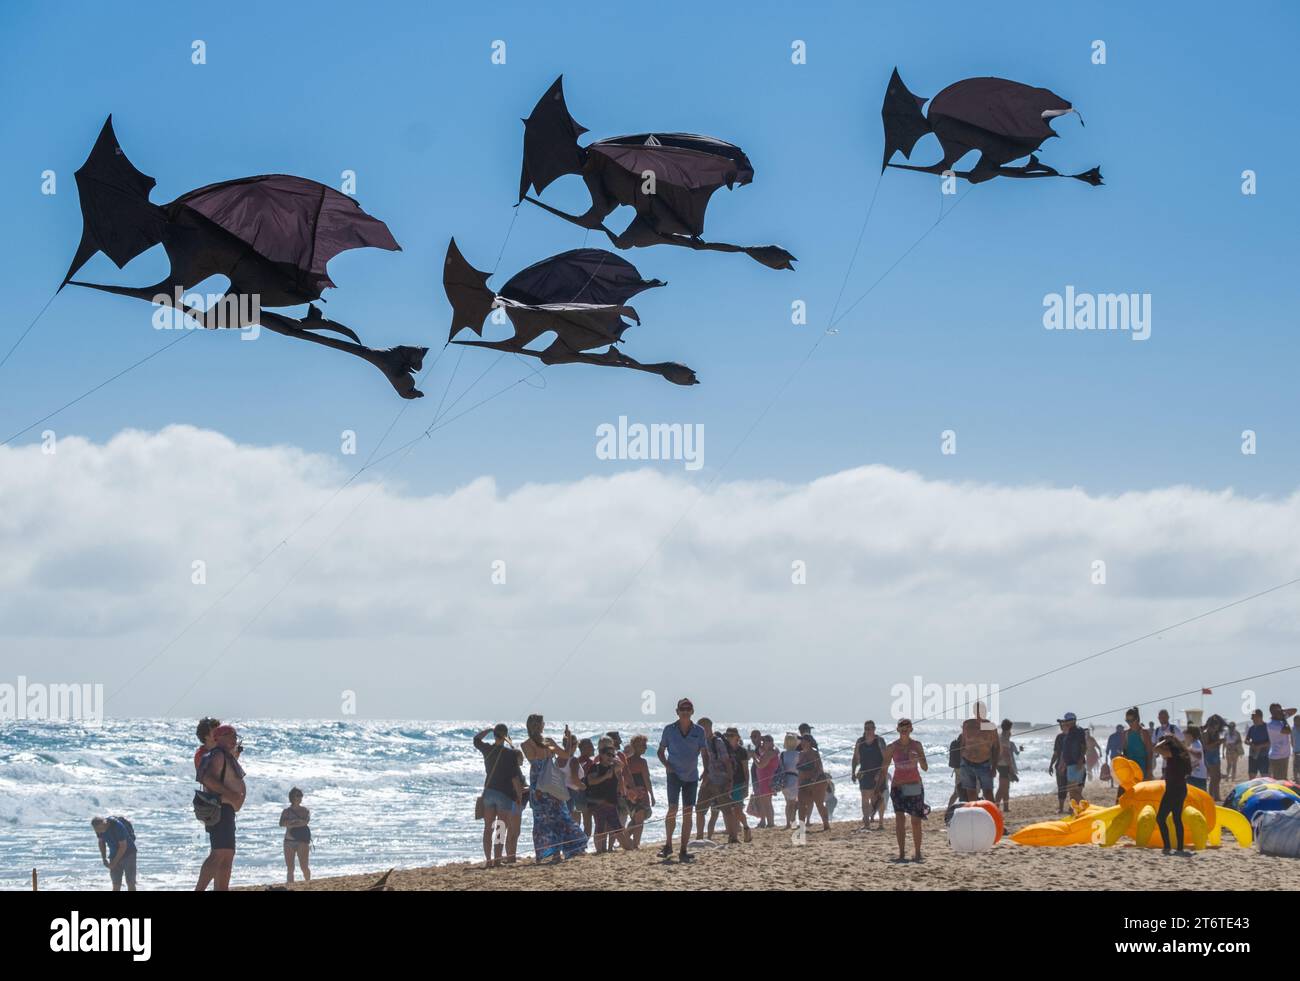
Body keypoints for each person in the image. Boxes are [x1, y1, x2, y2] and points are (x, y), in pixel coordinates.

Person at [521, 714, 588, 862]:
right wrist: (569, 739)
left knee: (541, 821)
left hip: (538, 784)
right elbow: (566, 754)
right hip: (552, 783)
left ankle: (544, 854)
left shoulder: (525, 745)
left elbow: (535, 762)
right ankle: (558, 854)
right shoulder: (548, 741)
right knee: (559, 817)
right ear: (540, 725)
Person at [196, 724, 245, 891]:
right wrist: (230, 794)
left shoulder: (226, 755)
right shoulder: (217, 755)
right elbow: (207, 779)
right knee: (219, 853)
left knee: (227, 854)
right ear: (220, 737)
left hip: (227, 809)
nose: (234, 738)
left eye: (235, 735)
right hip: (220, 807)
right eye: (231, 735)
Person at [657, 697, 707, 861]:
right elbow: (660, 751)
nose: (685, 712)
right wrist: (667, 765)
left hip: (691, 776)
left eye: (688, 709)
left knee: (688, 812)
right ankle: (668, 845)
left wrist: (706, 770)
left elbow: (705, 752)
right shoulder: (669, 729)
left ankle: (683, 849)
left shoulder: (699, 731)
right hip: (674, 775)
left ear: (692, 712)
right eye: (682, 709)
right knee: (672, 808)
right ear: (677, 712)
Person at [473, 723, 525, 867]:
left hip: (489, 792)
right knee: (500, 827)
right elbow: (515, 779)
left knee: (487, 828)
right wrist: (519, 797)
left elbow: (476, 740)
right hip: (505, 794)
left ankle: (489, 860)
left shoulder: (488, 749)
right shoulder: (510, 754)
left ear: (494, 735)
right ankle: (497, 860)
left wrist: (488, 730)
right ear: (506, 736)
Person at [877, 718, 928, 862]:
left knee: (916, 821)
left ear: (911, 728)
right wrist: (878, 787)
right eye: (901, 726)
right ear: (898, 729)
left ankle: (917, 852)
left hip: (915, 786)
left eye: (907, 726)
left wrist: (918, 758)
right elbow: (884, 768)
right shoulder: (892, 747)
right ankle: (901, 853)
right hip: (898, 787)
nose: (904, 728)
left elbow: (925, 767)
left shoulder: (917, 745)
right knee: (899, 820)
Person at [586, 738, 630, 854]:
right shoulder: (595, 767)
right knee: (600, 827)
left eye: (612, 753)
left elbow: (621, 764)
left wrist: (612, 755)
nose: (610, 756)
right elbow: (591, 781)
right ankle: (600, 850)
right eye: (607, 753)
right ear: (600, 753)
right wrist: (605, 776)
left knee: (616, 826)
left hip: (611, 802)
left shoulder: (614, 767)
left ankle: (627, 847)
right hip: (598, 803)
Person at [696, 717, 735, 841]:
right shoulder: (701, 742)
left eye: (703, 728)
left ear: (709, 727)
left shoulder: (717, 741)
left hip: (720, 780)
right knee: (700, 809)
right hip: (708, 781)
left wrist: (730, 781)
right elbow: (705, 759)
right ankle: (699, 837)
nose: (701, 730)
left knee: (727, 810)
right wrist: (705, 772)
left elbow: (727, 762)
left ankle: (733, 836)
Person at [1153, 735, 1193, 856]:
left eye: (1164, 747)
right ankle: (1179, 847)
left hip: (1173, 791)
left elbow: (1155, 749)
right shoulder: (1180, 753)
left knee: (1160, 818)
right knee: (1176, 819)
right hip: (1180, 789)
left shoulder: (1174, 752)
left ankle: (1167, 846)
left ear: (1167, 746)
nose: (1162, 754)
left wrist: (1165, 740)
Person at [957, 702, 998, 805]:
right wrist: (960, 761)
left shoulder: (989, 726)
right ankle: (975, 816)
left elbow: (996, 747)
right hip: (967, 763)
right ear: (974, 711)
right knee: (970, 793)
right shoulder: (968, 724)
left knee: (988, 793)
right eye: (978, 710)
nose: (980, 712)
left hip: (984, 763)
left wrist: (994, 767)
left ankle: (993, 816)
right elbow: (963, 743)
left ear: (985, 711)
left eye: (982, 710)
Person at [852, 720, 888, 830]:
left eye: (870, 728)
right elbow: (855, 758)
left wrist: (881, 773)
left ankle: (881, 823)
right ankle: (867, 823)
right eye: (866, 728)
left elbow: (886, 759)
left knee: (879, 798)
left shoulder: (879, 741)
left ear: (874, 729)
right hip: (864, 773)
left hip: (878, 773)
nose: (868, 731)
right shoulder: (860, 741)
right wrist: (853, 771)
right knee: (864, 797)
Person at [623, 734, 655, 848]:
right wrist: (651, 795)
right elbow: (647, 780)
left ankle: (626, 839)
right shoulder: (642, 762)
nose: (646, 748)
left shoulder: (625, 761)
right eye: (643, 746)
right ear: (636, 746)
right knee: (639, 821)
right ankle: (634, 844)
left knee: (636, 819)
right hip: (640, 794)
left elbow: (623, 780)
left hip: (629, 794)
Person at [723, 727, 754, 843]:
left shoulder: (741, 751)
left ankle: (745, 827)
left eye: (731, 735)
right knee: (728, 810)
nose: (729, 737)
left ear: (737, 737)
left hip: (738, 783)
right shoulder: (724, 749)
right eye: (727, 735)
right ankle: (733, 835)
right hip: (727, 784)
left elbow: (746, 771)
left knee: (737, 810)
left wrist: (746, 787)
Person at [796, 731, 830, 832]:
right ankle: (802, 827)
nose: (802, 743)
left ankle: (826, 825)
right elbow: (799, 770)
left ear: (810, 742)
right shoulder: (801, 754)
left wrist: (813, 780)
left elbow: (819, 769)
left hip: (817, 783)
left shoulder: (814, 753)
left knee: (819, 804)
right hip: (804, 783)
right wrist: (799, 783)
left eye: (804, 741)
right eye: (801, 741)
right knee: (801, 803)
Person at [91, 816, 136, 892]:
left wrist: (114, 862)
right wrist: (104, 858)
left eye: (99, 829)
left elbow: (123, 846)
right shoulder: (98, 829)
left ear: (104, 823)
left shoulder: (117, 826)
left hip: (129, 854)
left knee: (130, 882)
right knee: (116, 883)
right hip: (114, 854)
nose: (99, 832)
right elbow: (101, 842)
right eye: (96, 830)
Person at [280, 787, 312, 883]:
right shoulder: (286, 811)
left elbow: (305, 822)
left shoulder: (305, 810)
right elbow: (281, 823)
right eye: (297, 795)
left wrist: (291, 823)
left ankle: (308, 883)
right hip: (288, 841)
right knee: (290, 868)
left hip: (302, 841)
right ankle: (290, 887)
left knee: (304, 866)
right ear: (292, 797)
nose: (299, 798)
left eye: (300, 795)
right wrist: (296, 821)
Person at [566, 736, 595, 838]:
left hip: (573, 794)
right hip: (584, 795)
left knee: (575, 823)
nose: (593, 748)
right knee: (587, 823)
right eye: (590, 746)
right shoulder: (589, 763)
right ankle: (581, 845)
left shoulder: (575, 760)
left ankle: (577, 845)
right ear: (584, 748)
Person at [749, 734, 779, 829]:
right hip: (764, 779)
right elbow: (761, 749)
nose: (763, 744)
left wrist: (753, 756)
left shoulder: (770, 753)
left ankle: (770, 823)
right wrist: (761, 741)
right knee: (765, 802)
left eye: (765, 742)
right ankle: (768, 822)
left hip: (766, 780)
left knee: (767, 803)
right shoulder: (769, 751)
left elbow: (760, 765)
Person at [1120, 707, 1153, 784]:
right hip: (1130, 770)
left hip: (1142, 769)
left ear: (1137, 719)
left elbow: (1149, 753)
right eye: (1127, 721)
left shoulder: (1144, 733)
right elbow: (1125, 751)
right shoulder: (1126, 734)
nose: (1130, 723)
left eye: (1132, 721)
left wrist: (1149, 770)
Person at [994, 719, 1019, 813]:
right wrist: (1011, 767)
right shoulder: (1004, 737)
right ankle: (996, 807)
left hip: (1000, 764)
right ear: (1010, 728)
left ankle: (1006, 807)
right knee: (1002, 787)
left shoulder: (1001, 736)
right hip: (1004, 764)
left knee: (1006, 787)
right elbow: (1005, 754)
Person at [1267, 703, 1297, 780]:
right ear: (1272, 712)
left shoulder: (1280, 720)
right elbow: (1288, 731)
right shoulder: (1271, 724)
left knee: (1283, 779)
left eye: (1280, 710)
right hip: (1277, 756)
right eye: (1277, 711)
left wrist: (1283, 711)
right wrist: (1283, 718)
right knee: (1279, 781)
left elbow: (1294, 710)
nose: (1279, 712)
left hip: (1284, 755)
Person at [778, 733, 802, 829]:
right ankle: (792, 822)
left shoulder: (782, 754)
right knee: (793, 803)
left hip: (785, 779)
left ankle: (788, 822)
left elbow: (780, 767)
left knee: (788, 803)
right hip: (795, 779)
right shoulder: (798, 754)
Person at [1202, 715, 1226, 801]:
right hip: (1209, 756)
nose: (1217, 728)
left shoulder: (1216, 733)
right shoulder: (1205, 733)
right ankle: (1211, 796)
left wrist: (1219, 742)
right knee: (1213, 777)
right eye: (1216, 726)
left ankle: (1216, 796)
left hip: (1216, 755)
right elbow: (1206, 747)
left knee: (1218, 776)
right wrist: (1218, 742)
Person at [1153, 710, 1182, 778]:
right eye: (1161, 717)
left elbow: (1183, 743)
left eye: (1164, 717)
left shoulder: (1174, 729)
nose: (1162, 719)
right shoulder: (1157, 731)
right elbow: (1153, 745)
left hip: (1175, 763)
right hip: (1164, 764)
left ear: (1168, 717)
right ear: (1158, 718)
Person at [1246, 709, 1270, 778]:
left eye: (1253, 717)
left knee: (1265, 777)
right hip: (1253, 756)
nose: (1252, 719)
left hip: (1265, 756)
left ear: (1260, 717)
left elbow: (1271, 741)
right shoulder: (1252, 728)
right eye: (1252, 718)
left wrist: (1260, 746)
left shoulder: (1267, 727)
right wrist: (1251, 744)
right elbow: (1246, 740)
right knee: (1252, 777)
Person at [1185, 726, 1208, 791]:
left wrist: (1188, 749)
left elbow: (1199, 756)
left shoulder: (1196, 744)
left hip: (1198, 775)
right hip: (1194, 774)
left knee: (1199, 796)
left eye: (1186, 735)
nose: (1185, 737)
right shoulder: (1194, 743)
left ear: (1191, 735)